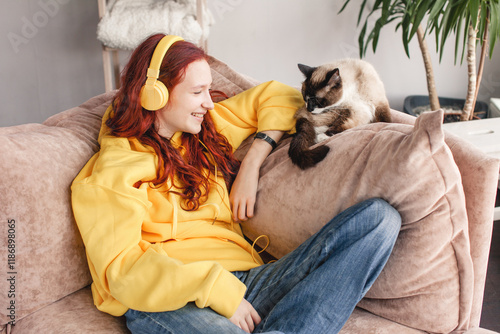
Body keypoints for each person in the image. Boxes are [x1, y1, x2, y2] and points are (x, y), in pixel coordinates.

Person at [71, 34, 401, 334]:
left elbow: (282, 95)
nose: (209, 103)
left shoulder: (205, 131)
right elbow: (122, 269)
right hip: (171, 298)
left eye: (207, 90)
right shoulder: (112, 171)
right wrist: (214, 289)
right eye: (197, 92)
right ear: (155, 94)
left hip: (249, 280)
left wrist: (255, 157)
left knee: (380, 220)